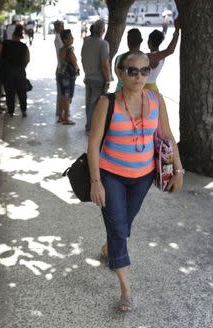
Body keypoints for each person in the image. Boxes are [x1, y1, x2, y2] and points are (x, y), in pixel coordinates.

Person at [87, 50, 184, 313]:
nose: (140, 76)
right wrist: (96, 181)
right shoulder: (107, 103)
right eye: (133, 71)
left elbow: (167, 135)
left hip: (142, 178)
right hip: (111, 176)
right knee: (119, 228)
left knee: (124, 223)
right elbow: (93, 144)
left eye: (145, 71)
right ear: (121, 73)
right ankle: (126, 290)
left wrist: (178, 169)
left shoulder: (155, 99)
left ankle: (109, 247)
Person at [81, 19, 112, 132]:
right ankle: (92, 126)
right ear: (103, 30)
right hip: (98, 80)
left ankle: (89, 125)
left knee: (89, 104)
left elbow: (83, 59)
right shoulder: (103, 44)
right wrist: (108, 80)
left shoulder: (86, 41)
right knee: (96, 105)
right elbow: (105, 64)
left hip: (88, 77)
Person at [0, 24, 30, 117]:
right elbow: (27, 59)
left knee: (10, 92)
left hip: (8, 71)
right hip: (20, 71)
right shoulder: (24, 46)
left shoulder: (5, 43)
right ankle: (23, 110)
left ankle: (11, 111)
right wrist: (22, 67)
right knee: (22, 91)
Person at [145, 19, 180, 92]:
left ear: (149, 42)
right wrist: (176, 31)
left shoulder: (150, 57)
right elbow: (169, 51)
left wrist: (177, 31)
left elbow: (170, 50)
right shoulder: (161, 56)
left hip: (145, 89)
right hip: (153, 88)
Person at [56, 29, 79, 124]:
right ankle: (66, 118)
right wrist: (77, 70)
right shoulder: (69, 50)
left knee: (63, 96)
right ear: (65, 39)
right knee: (67, 97)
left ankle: (61, 116)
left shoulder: (61, 49)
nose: (72, 38)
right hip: (68, 76)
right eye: (70, 37)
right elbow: (74, 63)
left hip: (61, 74)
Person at [53, 20, 64, 117]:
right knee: (62, 92)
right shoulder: (58, 39)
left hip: (60, 67)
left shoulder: (59, 38)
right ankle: (60, 111)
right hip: (61, 68)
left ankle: (60, 111)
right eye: (61, 26)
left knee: (61, 92)